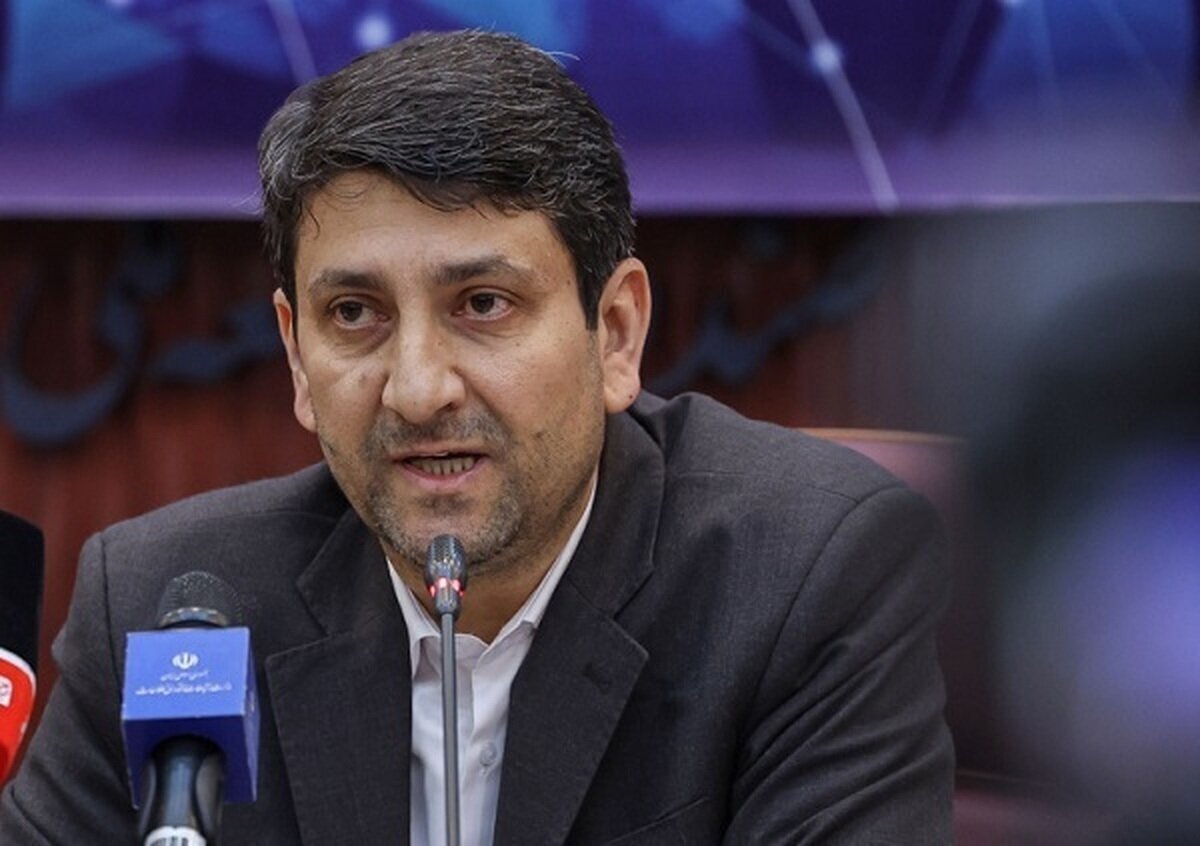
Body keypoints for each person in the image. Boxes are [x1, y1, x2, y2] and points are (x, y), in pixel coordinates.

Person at [0, 29, 952, 844]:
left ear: (615, 333)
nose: (418, 391)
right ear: (295, 355)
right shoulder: (169, 610)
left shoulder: (805, 580)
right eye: (355, 314)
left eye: (483, 303)